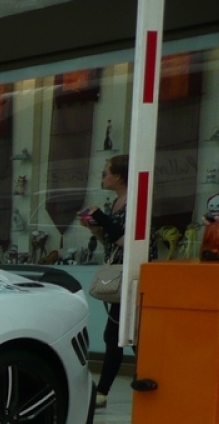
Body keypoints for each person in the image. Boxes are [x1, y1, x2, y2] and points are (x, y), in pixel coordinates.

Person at [81, 154, 130, 408]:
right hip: (121, 272)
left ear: (119, 176)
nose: (103, 177)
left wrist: (102, 219)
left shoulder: (133, 203)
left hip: (133, 276)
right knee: (116, 333)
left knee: (119, 333)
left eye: (106, 172)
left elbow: (126, 240)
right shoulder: (117, 203)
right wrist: (95, 228)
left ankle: (103, 391)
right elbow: (112, 241)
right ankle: (103, 391)